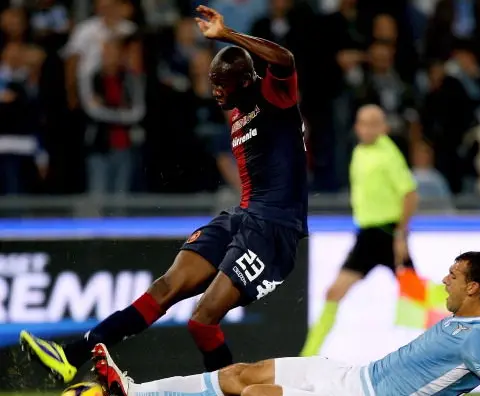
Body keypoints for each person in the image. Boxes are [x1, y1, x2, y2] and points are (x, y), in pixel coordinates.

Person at [20, 5, 308, 383]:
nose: (215, 91)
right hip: (243, 216)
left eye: (222, 85)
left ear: (244, 80)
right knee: (166, 286)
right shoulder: (237, 111)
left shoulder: (274, 97)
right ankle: (71, 355)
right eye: (212, 82)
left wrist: (228, 35)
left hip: (274, 228)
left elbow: (284, 58)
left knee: (202, 322)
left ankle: (230, 391)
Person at [92, 251, 480, 396]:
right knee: (241, 375)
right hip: (350, 376)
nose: (444, 280)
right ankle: (133, 392)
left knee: (256, 395)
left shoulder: (477, 341)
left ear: (474, 288)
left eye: (454, 277)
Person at [300, 104, 419, 357]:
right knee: (334, 292)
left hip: (387, 234)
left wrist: (400, 235)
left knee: (416, 301)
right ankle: (306, 357)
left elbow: (409, 194)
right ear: (356, 126)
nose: (367, 129)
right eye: (363, 123)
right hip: (367, 236)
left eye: (373, 123)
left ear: (383, 126)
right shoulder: (359, 151)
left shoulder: (388, 154)